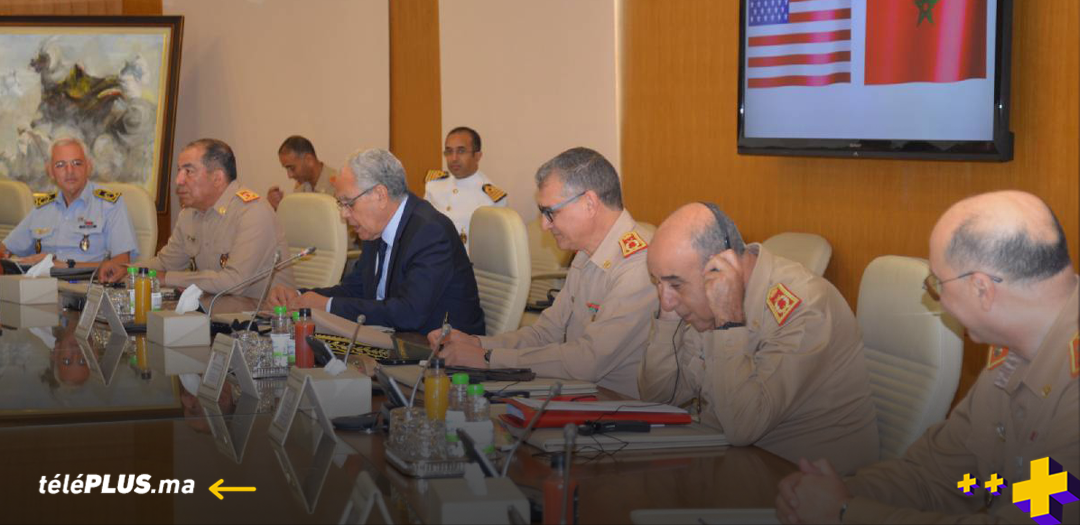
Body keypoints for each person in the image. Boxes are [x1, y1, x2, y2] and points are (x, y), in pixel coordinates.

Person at [776, 191, 1079, 525]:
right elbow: (943, 478)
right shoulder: (1012, 352)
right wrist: (829, 493)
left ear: (982, 289)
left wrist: (846, 512)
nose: (938, 299)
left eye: (937, 284)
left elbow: (1038, 519)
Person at [638, 203, 879, 475]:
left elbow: (742, 428)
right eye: (657, 283)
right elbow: (656, 400)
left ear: (719, 270)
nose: (666, 301)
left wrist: (728, 321)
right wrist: (668, 319)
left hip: (808, 481)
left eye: (675, 284)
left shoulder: (805, 306)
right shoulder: (698, 306)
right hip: (736, 466)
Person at [433, 147, 654, 397]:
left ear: (590, 203)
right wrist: (476, 343)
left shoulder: (639, 264)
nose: (544, 225)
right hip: (578, 394)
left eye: (551, 212)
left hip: (616, 406)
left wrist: (487, 358)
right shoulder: (586, 252)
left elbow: (588, 361)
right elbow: (546, 333)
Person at [267, 148, 485, 334]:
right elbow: (356, 289)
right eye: (341, 204)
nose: (344, 214)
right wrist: (299, 296)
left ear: (380, 195)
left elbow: (409, 313)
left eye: (348, 203)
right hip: (393, 340)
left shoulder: (429, 232)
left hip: (441, 352)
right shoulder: (374, 228)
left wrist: (327, 306)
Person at [100, 138, 293, 310]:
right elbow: (165, 263)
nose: (178, 180)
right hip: (215, 306)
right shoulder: (189, 214)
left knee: (169, 319)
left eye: (188, 171)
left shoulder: (252, 211)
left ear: (217, 178)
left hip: (263, 316)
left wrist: (166, 278)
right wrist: (129, 270)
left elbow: (235, 282)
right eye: (179, 171)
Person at [1, 137, 138, 272]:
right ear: (50, 171)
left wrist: (60, 265)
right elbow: (5, 249)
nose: (70, 171)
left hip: (87, 284)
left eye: (77, 163)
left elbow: (121, 263)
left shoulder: (109, 205)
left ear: (88, 167)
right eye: (60, 165)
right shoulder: (42, 208)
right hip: (40, 283)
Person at [424, 126, 508, 254]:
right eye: (449, 151)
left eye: (461, 151)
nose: (454, 158)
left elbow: (495, 248)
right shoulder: (434, 186)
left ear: (478, 156)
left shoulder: (491, 199)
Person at [266, 135, 337, 210]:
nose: (289, 175)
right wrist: (279, 207)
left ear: (309, 160)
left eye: (292, 168)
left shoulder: (338, 186)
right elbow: (298, 216)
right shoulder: (301, 187)